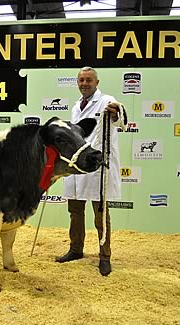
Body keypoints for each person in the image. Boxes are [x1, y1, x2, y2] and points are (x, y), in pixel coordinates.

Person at [56, 66, 126, 276]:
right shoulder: (76, 106)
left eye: (88, 80)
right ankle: (76, 249)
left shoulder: (107, 101)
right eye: (81, 80)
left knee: (100, 215)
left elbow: (120, 119)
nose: (84, 83)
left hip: (97, 165)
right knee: (75, 211)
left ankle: (105, 256)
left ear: (97, 82)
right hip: (77, 163)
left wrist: (117, 113)